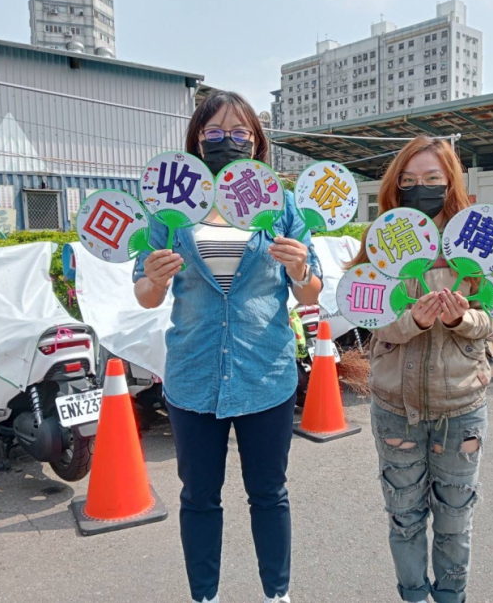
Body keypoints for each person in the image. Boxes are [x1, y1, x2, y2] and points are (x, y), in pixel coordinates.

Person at [133, 91, 323, 603]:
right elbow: (146, 295)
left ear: (257, 143)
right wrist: (152, 277)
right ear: (196, 141)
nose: (226, 142)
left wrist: (300, 267)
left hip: (266, 374)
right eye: (213, 133)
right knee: (198, 497)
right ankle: (204, 596)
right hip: (193, 375)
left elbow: (310, 290)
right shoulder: (170, 210)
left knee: (268, 494)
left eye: (240, 134)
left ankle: (276, 595)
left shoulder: (280, 204)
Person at [348, 136, 493, 603]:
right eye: (408, 181)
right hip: (396, 407)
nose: (420, 189)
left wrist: (460, 318)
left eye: (432, 179)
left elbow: (490, 318)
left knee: (455, 521)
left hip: (462, 406)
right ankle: (412, 595)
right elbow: (365, 311)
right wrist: (412, 320)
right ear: (395, 187)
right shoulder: (383, 240)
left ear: (451, 182)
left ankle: (452, 596)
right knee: (405, 518)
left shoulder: (475, 239)